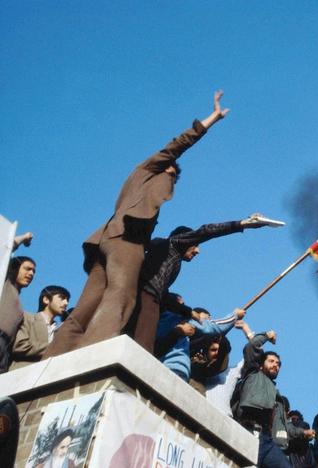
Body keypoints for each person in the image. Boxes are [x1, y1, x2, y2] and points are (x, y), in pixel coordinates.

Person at [45, 91, 230, 358]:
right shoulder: (149, 170)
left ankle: (52, 357)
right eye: (172, 175)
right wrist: (211, 119)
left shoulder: (142, 187)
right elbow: (176, 145)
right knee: (122, 298)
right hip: (127, 240)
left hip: (106, 239)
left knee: (87, 306)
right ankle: (92, 355)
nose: (172, 181)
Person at [130, 213, 278, 353]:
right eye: (195, 244)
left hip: (149, 300)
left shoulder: (169, 258)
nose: (198, 251)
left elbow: (164, 296)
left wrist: (191, 313)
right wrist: (243, 224)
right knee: (140, 347)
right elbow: (206, 231)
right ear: (185, 240)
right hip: (145, 299)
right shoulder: (172, 244)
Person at [231, 320, 291, 468]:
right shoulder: (253, 372)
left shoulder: (275, 394)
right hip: (249, 428)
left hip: (267, 438)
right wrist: (267, 335)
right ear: (261, 363)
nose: (275, 365)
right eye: (271, 361)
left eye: (278, 364)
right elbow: (252, 346)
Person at [155, 303, 243, 382]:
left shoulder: (157, 322)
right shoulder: (181, 320)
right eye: (206, 317)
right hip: (173, 368)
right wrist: (234, 315)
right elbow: (214, 327)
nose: (209, 320)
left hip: (172, 371)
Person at [10, 285, 70, 369]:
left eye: (67, 300)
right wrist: (54, 348)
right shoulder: (27, 318)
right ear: (46, 299)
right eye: (62, 298)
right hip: (22, 374)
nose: (66, 303)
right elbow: (20, 346)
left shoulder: (61, 330)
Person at [0, 232, 35, 373]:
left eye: (34, 271)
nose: (31, 274)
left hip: (5, 349)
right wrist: (22, 238)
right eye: (27, 269)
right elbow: (5, 251)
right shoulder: (5, 282)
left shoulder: (18, 300)